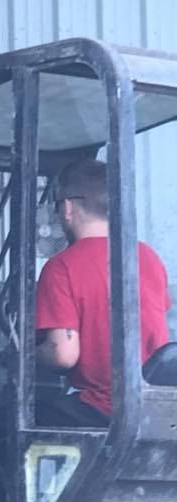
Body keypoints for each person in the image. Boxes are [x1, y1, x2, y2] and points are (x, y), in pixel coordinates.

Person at [35, 158, 171, 426]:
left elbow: (63, 354)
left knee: (2, 426)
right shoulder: (147, 256)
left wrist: (26, 354)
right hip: (155, 405)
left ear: (68, 208)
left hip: (103, 408)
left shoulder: (61, 266)